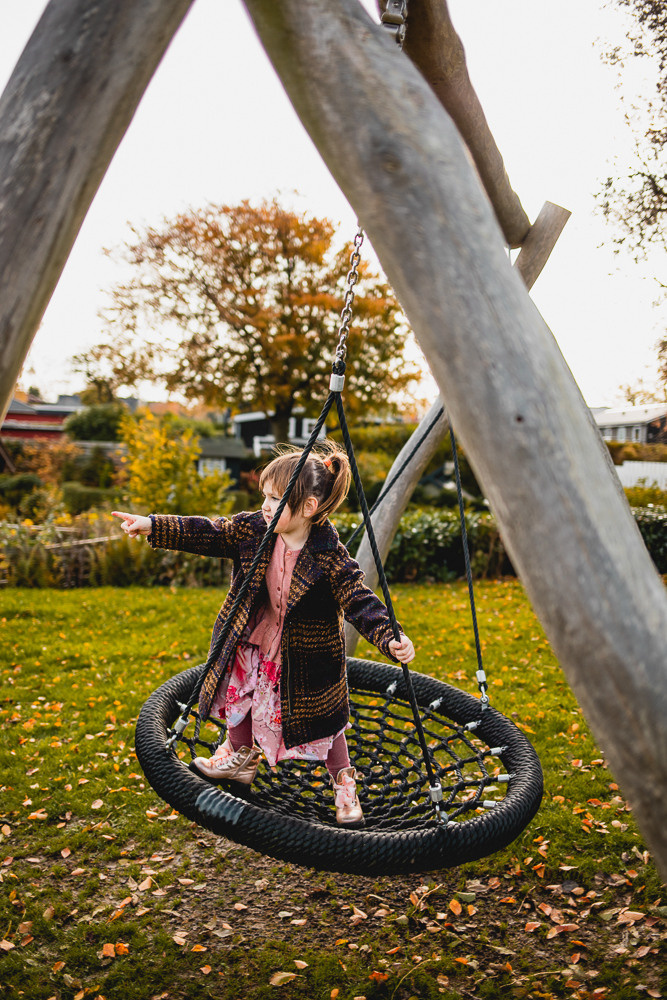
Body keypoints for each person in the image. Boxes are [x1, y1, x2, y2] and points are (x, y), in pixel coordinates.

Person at [111, 444, 415, 825]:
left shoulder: (329, 555)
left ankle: (343, 783)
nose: (266, 506)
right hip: (252, 637)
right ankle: (239, 757)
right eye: (264, 496)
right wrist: (154, 524)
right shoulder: (254, 528)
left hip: (303, 656)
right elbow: (210, 532)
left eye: (276, 498)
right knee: (241, 693)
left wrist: (389, 635)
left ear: (308, 507)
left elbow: (358, 598)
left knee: (327, 722)